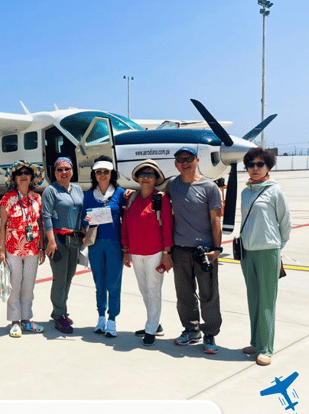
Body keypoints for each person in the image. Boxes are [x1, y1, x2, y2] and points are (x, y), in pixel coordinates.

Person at [166, 147, 223, 355]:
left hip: (204, 250)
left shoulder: (210, 187)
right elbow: (155, 193)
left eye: (189, 158)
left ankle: (210, 333)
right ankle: (191, 330)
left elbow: (216, 219)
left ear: (197, 160)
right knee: (184, 293)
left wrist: (217, 249)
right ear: (175, 164)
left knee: (208, 294)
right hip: (180, 249)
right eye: (180, 159)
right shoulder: (172, 185)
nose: (184, 162)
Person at [239, 148, 291, 366]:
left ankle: (266, 348)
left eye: (260, 164)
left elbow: (285, 223)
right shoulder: (246, 192)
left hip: (268, 251)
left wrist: (277, 248)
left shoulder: (275, 191)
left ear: (268, 166)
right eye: (251, 164)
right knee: (253, 298)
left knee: (267, 300)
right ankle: (255, 341)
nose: (255, 168)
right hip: (247, 252)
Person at [121, 159, 173, 346]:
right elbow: (125, 225)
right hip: (136, 252)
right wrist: (125, 250)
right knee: (144, 290)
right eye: (143, 174)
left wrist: (167, 253)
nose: (145, 178)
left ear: (156, 179)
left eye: (150, 174)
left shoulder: (161, 199)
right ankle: (154, 322)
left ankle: (151, 328)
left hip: (155, 252)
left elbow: (167, 226)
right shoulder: (132, 198)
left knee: (154, 289)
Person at [0, 160, 45, 337]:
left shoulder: (37, 198)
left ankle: (26, 319)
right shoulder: (7, 199)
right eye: (20, 173)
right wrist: (2, 250)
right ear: (15, 179)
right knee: (15, 285)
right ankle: (15, 321)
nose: (24, 175)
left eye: (27, 172)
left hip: (32, 249)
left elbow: (39, 223)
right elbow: (2, 226)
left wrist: (41, 247)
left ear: (32, 177)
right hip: (13, 250)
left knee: (29, 286)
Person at [81, 156, 126, 337]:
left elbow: (127, 218)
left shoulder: (121, 193)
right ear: (94, 174)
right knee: (99, 282)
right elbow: (83, 218)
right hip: (96, 245)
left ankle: (112, 318)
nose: (102, 175)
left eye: (105, 172)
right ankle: (100, 316)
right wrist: (87, 223)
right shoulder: (89, 195)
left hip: (115, 244)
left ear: (111, 173)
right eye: (98, 172)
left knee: (114, 283)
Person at [43, 157, 84, 334]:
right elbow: (46, 217)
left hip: (74, 239)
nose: (64, 172)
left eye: (67, 169)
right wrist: (51, 242)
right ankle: (61, 315)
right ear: (55, 172)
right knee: (60, 279)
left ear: (72, 171)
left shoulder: (78, 189)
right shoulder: (50, 191)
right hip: (58, 240)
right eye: (60, 169)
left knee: (69, 276)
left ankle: (58, 309)